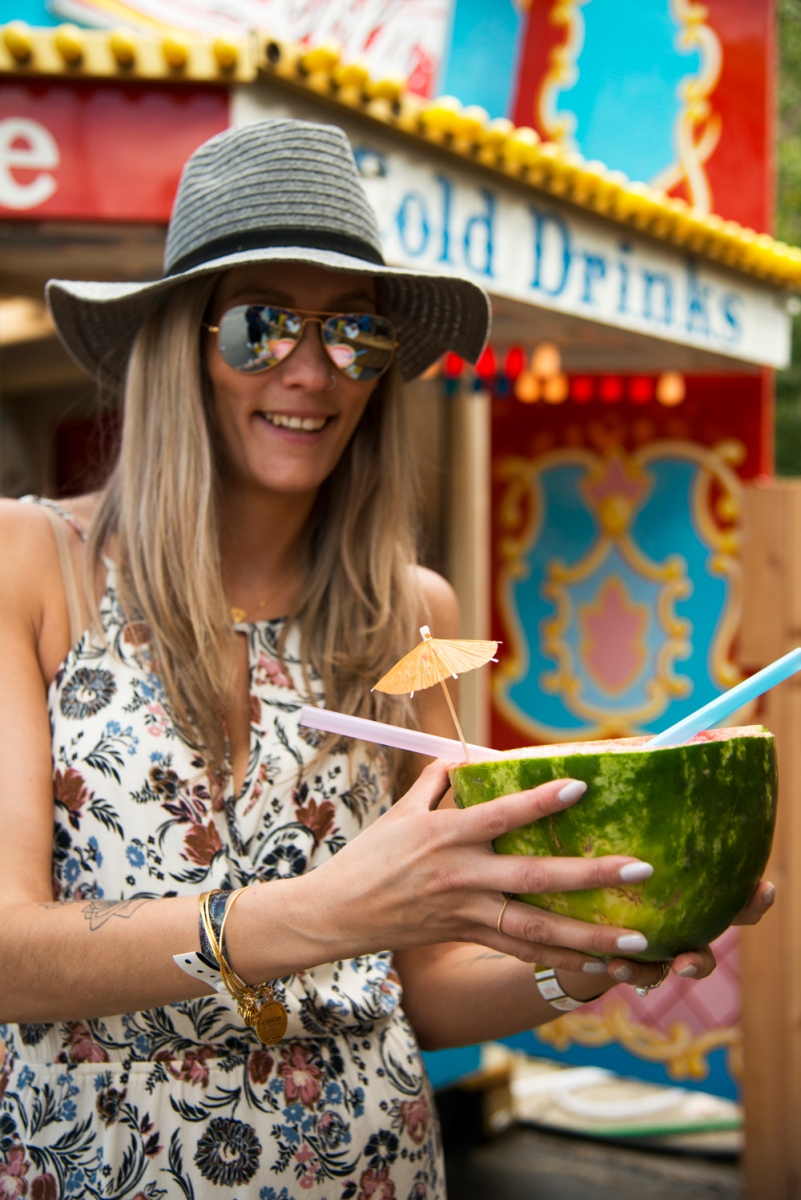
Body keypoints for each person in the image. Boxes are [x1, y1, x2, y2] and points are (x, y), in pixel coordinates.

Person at [0, 120, 772, 1200]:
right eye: (263, 327)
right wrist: (330, 910)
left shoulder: (419, 618)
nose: (314, 372)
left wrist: (584, 958)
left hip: (373, 1167)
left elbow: (424, 983)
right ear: (183, 344)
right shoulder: (30, 563)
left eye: (356, 335)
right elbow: (9, 952)